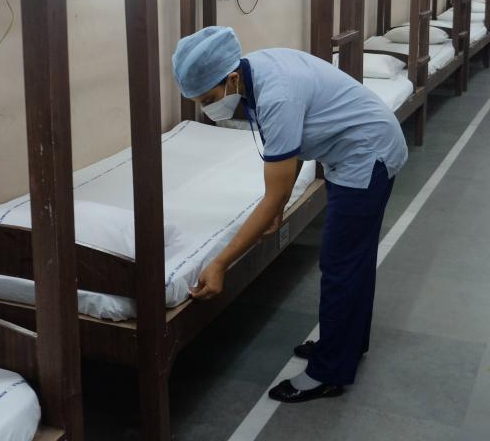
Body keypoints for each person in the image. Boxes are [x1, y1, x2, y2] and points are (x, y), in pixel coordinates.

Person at [172, 26, 408, 403]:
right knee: (353, 261)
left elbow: (275, 190)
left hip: (366, 154)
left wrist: (220, 264)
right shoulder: (252, 73)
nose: (208, 109)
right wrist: (279, 206)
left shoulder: (276, 93)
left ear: (231, 78)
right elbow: (289, 150)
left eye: (209, 98)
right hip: (353, 149)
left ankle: (328, 373)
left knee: (340, 265)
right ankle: (346, 345)